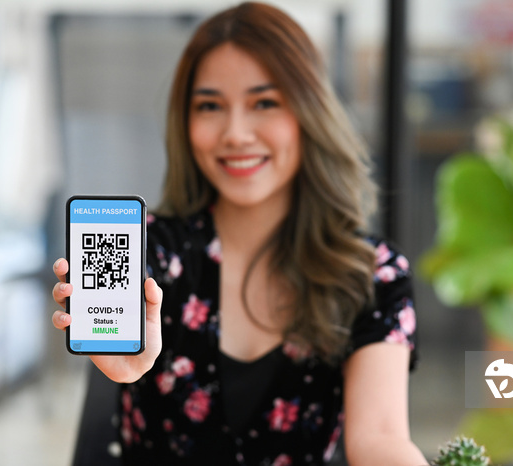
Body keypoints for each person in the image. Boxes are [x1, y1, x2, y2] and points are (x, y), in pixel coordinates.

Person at [52, 3, 427, 465]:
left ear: (309, 113)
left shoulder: (372, 274)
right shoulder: (151, 251)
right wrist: (129, 361)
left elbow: (382, 440)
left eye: (264, 103)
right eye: (210, 106)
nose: (235, 133)